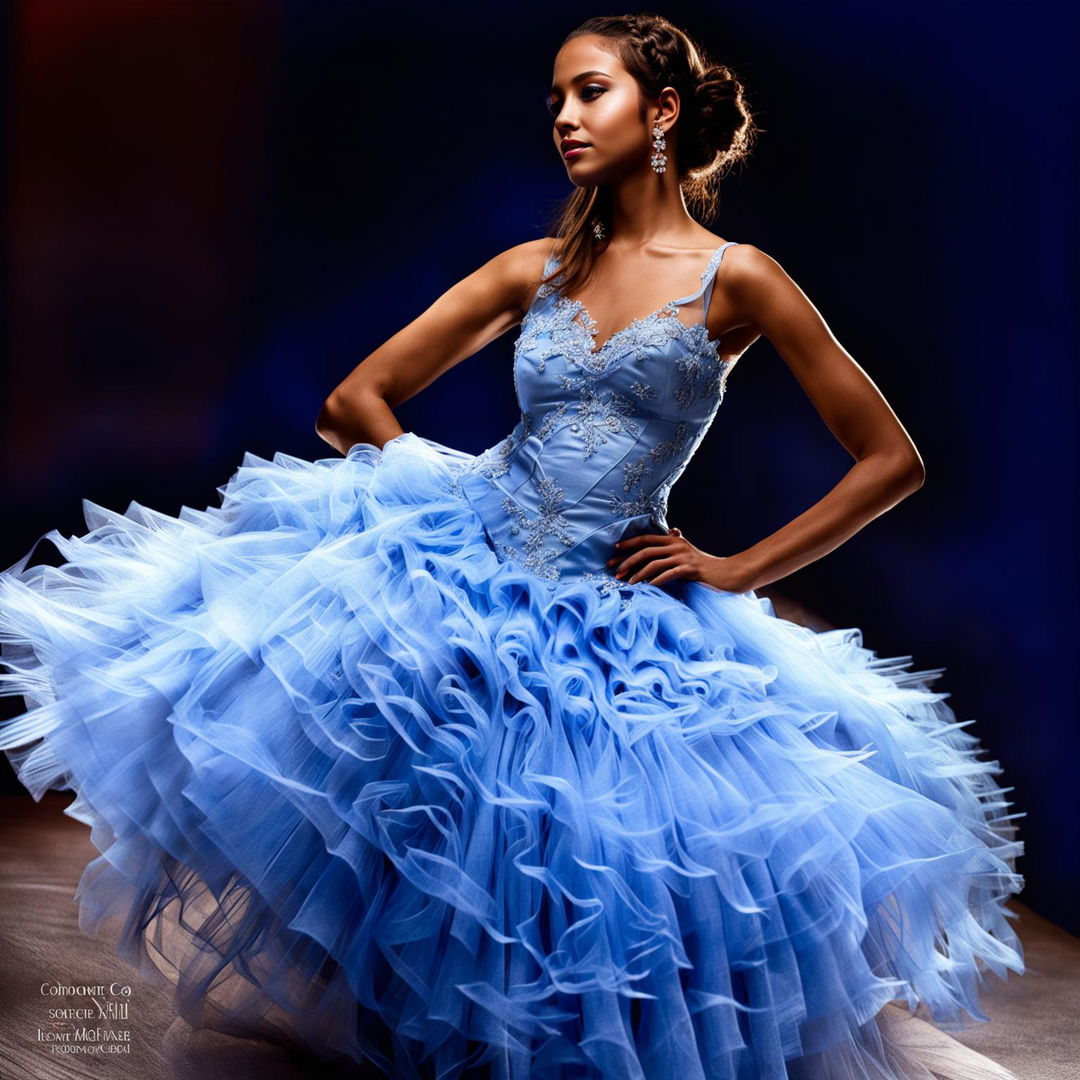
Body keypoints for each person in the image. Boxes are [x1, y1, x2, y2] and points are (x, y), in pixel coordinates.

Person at [0, 12, 1024, 1080]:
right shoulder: (532, 269)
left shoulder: (741, 279)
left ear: (662, 110)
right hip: (474, 560)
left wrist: (732, 569)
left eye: (591, 93)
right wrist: (448, 502)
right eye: (556, 102)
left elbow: (888, 459)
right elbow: (356, 402)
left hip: (615, 601)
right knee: (425, 797)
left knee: (597, 860)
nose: (566, 119)